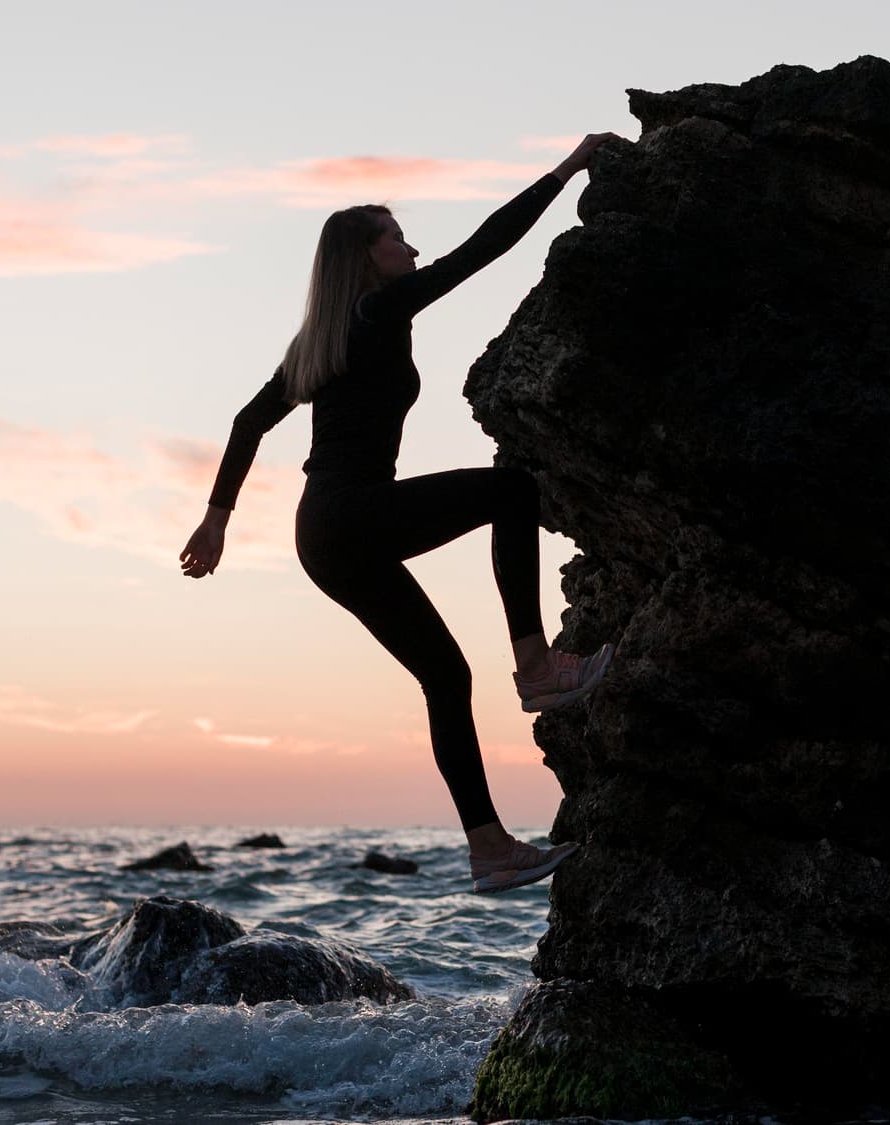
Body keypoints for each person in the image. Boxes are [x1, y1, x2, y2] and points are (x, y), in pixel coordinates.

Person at [178, 132, 625, 894]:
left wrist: (217, 519)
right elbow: (482, 249)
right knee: (511, 489)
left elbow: (249, 420)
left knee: (446, 676)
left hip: (325, 536)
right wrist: (565, 169)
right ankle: (538, 665)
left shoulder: (322, 338)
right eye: (398, 239)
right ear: (368, 257)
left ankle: (489, 849)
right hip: (352, 516)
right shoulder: (379, 312)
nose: (413, 250)